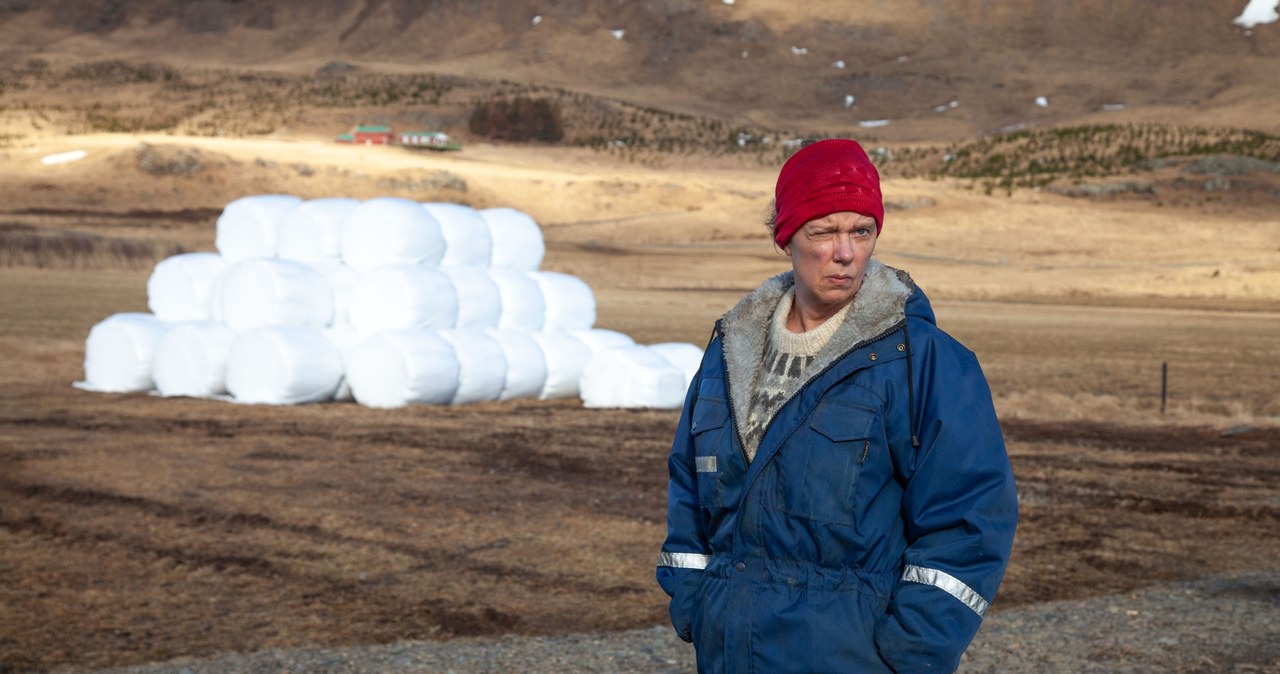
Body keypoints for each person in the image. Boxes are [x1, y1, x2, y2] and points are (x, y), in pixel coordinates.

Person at [655, 138, 1018, 673]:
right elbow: (690, 484)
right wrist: (693, 603)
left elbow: (970, 518)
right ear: (786, 238)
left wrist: (907, 653)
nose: (845, 253)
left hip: (853, 657)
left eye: (861, 231)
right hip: (730, 654)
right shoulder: (729, 351)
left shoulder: (922, 361)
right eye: (823, 231)